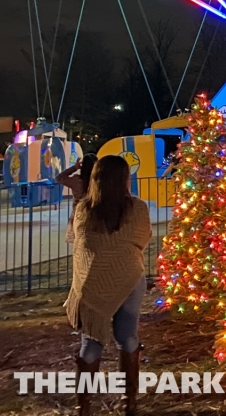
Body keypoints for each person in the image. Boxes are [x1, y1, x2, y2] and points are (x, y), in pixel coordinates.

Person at [66, 155, 151, 416]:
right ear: (125, 179)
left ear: (95, 179)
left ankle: (84, 406)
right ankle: (130, 401)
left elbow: (78, 242)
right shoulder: (137, 207)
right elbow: (143, 238)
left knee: (91, 343)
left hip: (92, 286)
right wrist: (120, 256)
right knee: (127, 337)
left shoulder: (83, 209)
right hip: (129, 278)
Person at [55, 153, 97, 245]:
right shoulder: (99, 181)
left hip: (78, 215)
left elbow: (59, 178)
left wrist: (74, 167)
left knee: (79, 244)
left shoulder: (76, 181)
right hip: (96, 215)